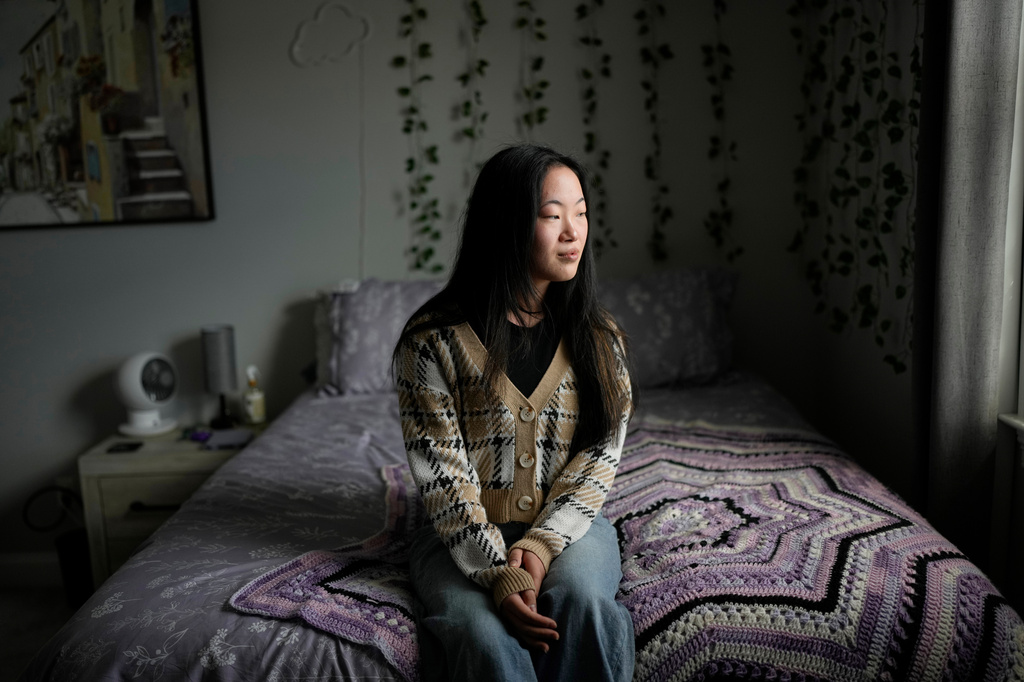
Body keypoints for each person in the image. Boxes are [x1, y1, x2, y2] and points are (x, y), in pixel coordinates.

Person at [392, 144, 637, 681]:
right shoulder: (432, 343)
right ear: (505, 224)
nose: (574, 231)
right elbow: (443, 475)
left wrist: (543, 543)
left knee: (586, 605)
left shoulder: (600, 339)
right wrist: (495, 575)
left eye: (581, 213)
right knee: (479, 634)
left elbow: (599, 458)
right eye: (552, 216)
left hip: (572, 526)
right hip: (458, 535)